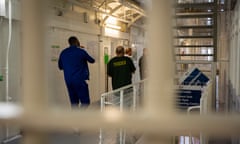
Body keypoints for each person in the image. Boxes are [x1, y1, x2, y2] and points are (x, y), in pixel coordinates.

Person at [58, 36, 95, 108]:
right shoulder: (81, 52)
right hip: (79, 80)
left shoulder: (63, 52)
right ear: (77, 42)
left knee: (74, 103)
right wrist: (83, 51)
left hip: (68, 81)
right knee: (85, 102)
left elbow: (60, 67)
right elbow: (92, 60)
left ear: (69, 43)